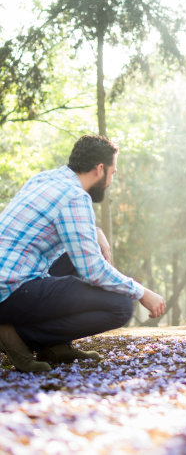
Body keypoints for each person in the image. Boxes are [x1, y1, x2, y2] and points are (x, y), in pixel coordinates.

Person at [0, 134, 166, 372]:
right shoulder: (75, 196)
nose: (111, 180)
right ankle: (15, 334)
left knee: (77, 254)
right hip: (10, 290)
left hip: (9, 278)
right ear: (100, 169)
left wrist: (96, 231)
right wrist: (142, 292)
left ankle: (56, 346)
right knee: (121, 306)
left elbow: (75, 239)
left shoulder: (43, 179)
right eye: (113, 173)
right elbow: (93, 270)